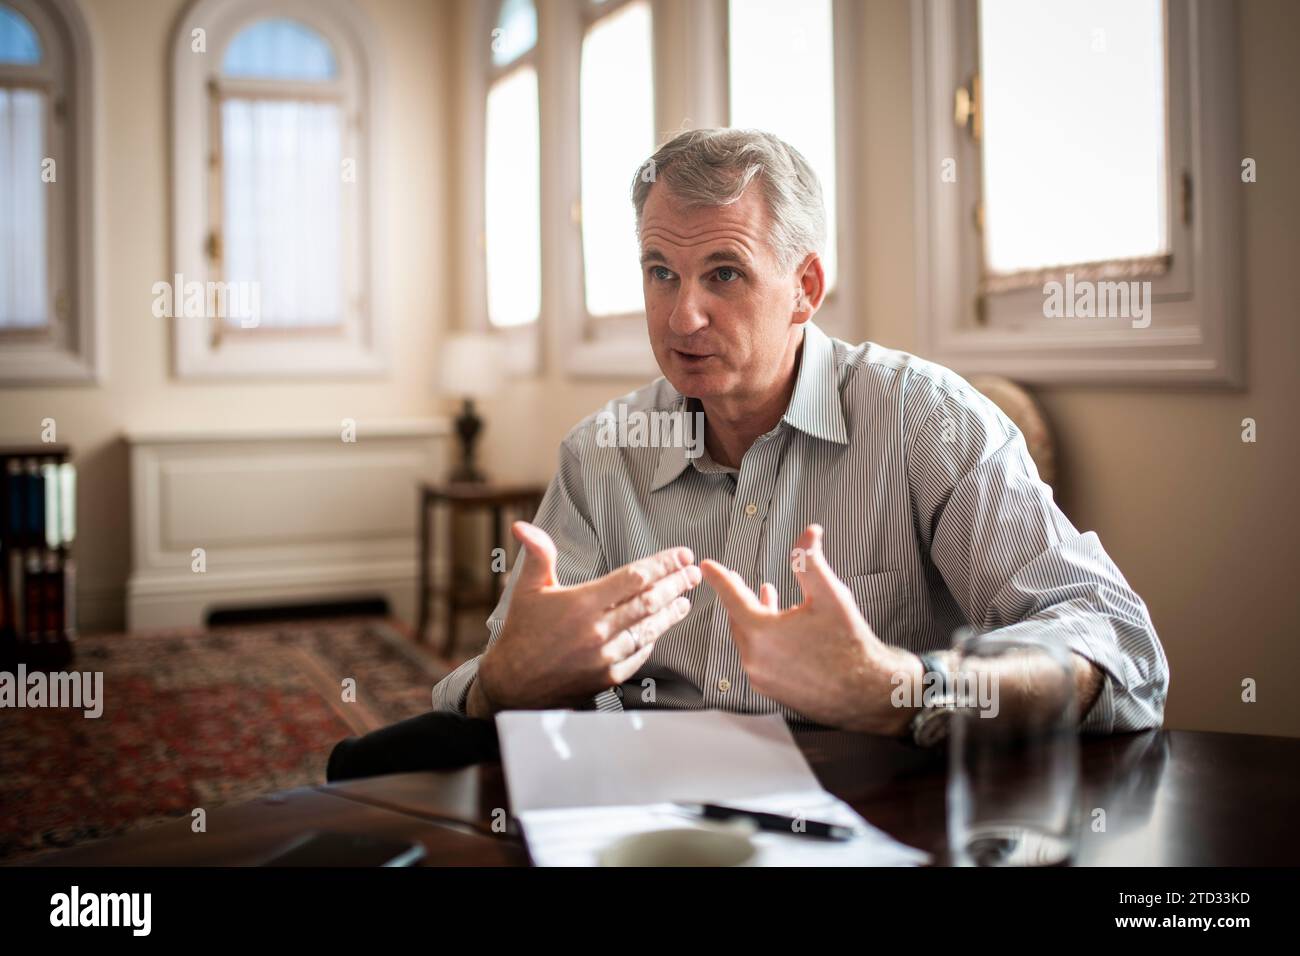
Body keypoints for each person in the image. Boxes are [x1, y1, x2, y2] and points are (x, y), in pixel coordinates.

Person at [429, 127, 1168, 740]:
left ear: (805, 290)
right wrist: (501, 680)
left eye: (723, 273)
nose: (682, 316)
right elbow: (505, 679)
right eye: (661, 272)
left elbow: (1117, 644)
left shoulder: (924, 419)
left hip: (874, 820)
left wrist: (905, 687)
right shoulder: (600, 456)